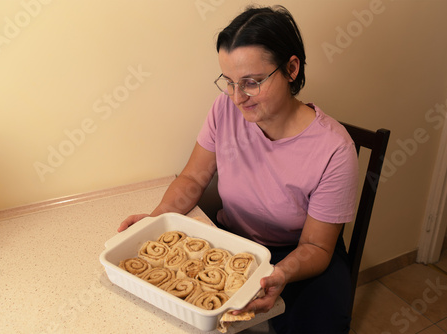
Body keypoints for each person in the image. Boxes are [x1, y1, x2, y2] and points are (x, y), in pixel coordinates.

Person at [118, 5, 358, 334]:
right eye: (229, 82)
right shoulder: (224, 110)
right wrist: (155, 220)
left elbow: (316, 247)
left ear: (291, 68)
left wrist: (280, 274)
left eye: (251, 82)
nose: (237, 98)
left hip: (298, 253)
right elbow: (192, 178)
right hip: (233, 242)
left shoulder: (335, 149)